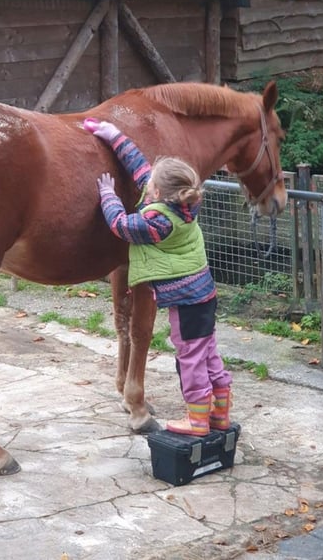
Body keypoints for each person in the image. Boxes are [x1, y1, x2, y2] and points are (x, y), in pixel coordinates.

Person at [83, 118, 232, 437]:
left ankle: (197, 419)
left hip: (187, 303)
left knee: (190, 358)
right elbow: (140, 167)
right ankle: (220, 415)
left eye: (149, 187)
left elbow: (121, 225)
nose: (144, 185)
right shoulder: (182, 204)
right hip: (204, 298)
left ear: (160, 193)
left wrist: (108, 194)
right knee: (209, 354)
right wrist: (113, 135)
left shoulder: (159, 223)